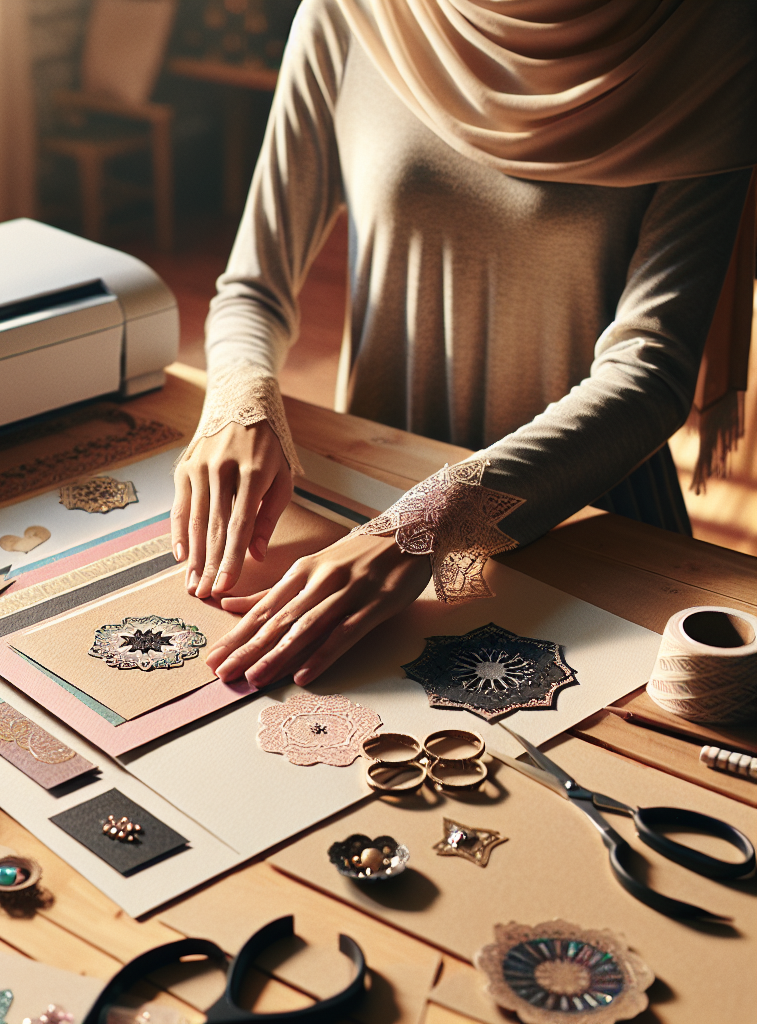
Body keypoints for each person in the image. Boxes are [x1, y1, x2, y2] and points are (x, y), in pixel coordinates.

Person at [171, 0, 756, 691]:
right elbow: (252, 289)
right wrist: (240, 400)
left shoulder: (714, 40)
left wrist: (423, 526)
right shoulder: (349, 14)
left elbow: (650, 372)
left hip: (584, 516)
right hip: (372, 504)